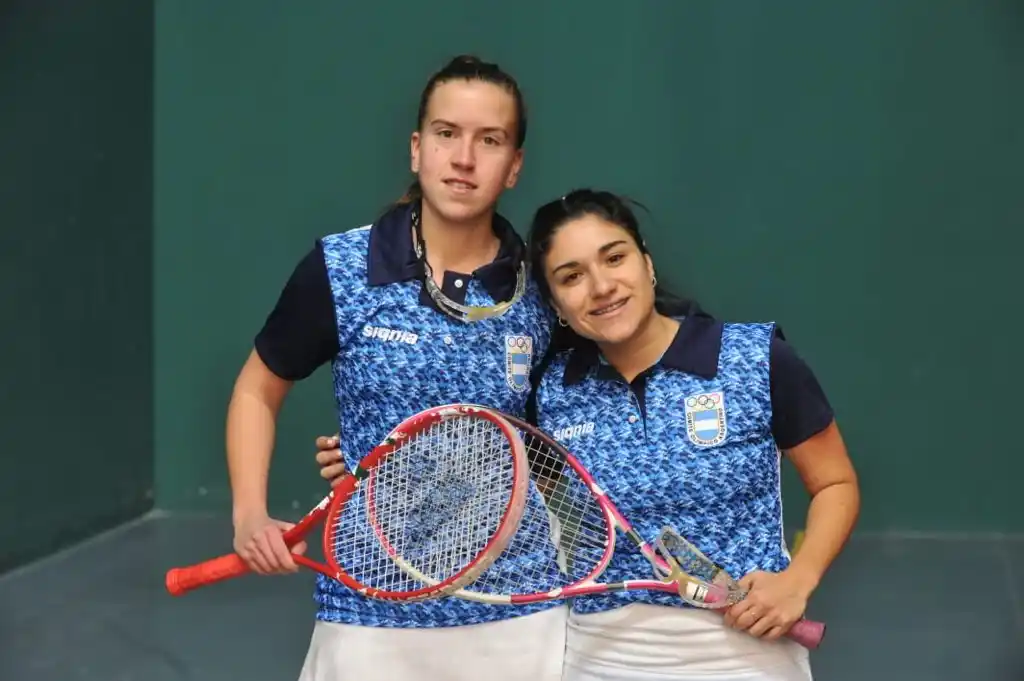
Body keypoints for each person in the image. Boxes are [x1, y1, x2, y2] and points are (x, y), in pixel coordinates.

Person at [314, 188, 861, 681]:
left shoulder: (754, 358)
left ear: (645, 262)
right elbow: (482, 467)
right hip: (598, 656)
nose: (601, 287)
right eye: (571, 276)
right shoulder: (548, 393)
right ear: (557, 306)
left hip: (748, 652)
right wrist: (382, 461)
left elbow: (836, 483)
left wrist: (799, 580)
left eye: (614, 257)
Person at [227, 54, 567, 681]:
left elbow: (562, 439)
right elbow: (257, 387)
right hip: (367, 606)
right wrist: (250, 511)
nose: (463, 158)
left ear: (514, 165)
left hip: (517, 610)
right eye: (446, 134)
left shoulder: (545, 288)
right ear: (417, 149)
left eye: (488, 140)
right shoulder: (342, 268)